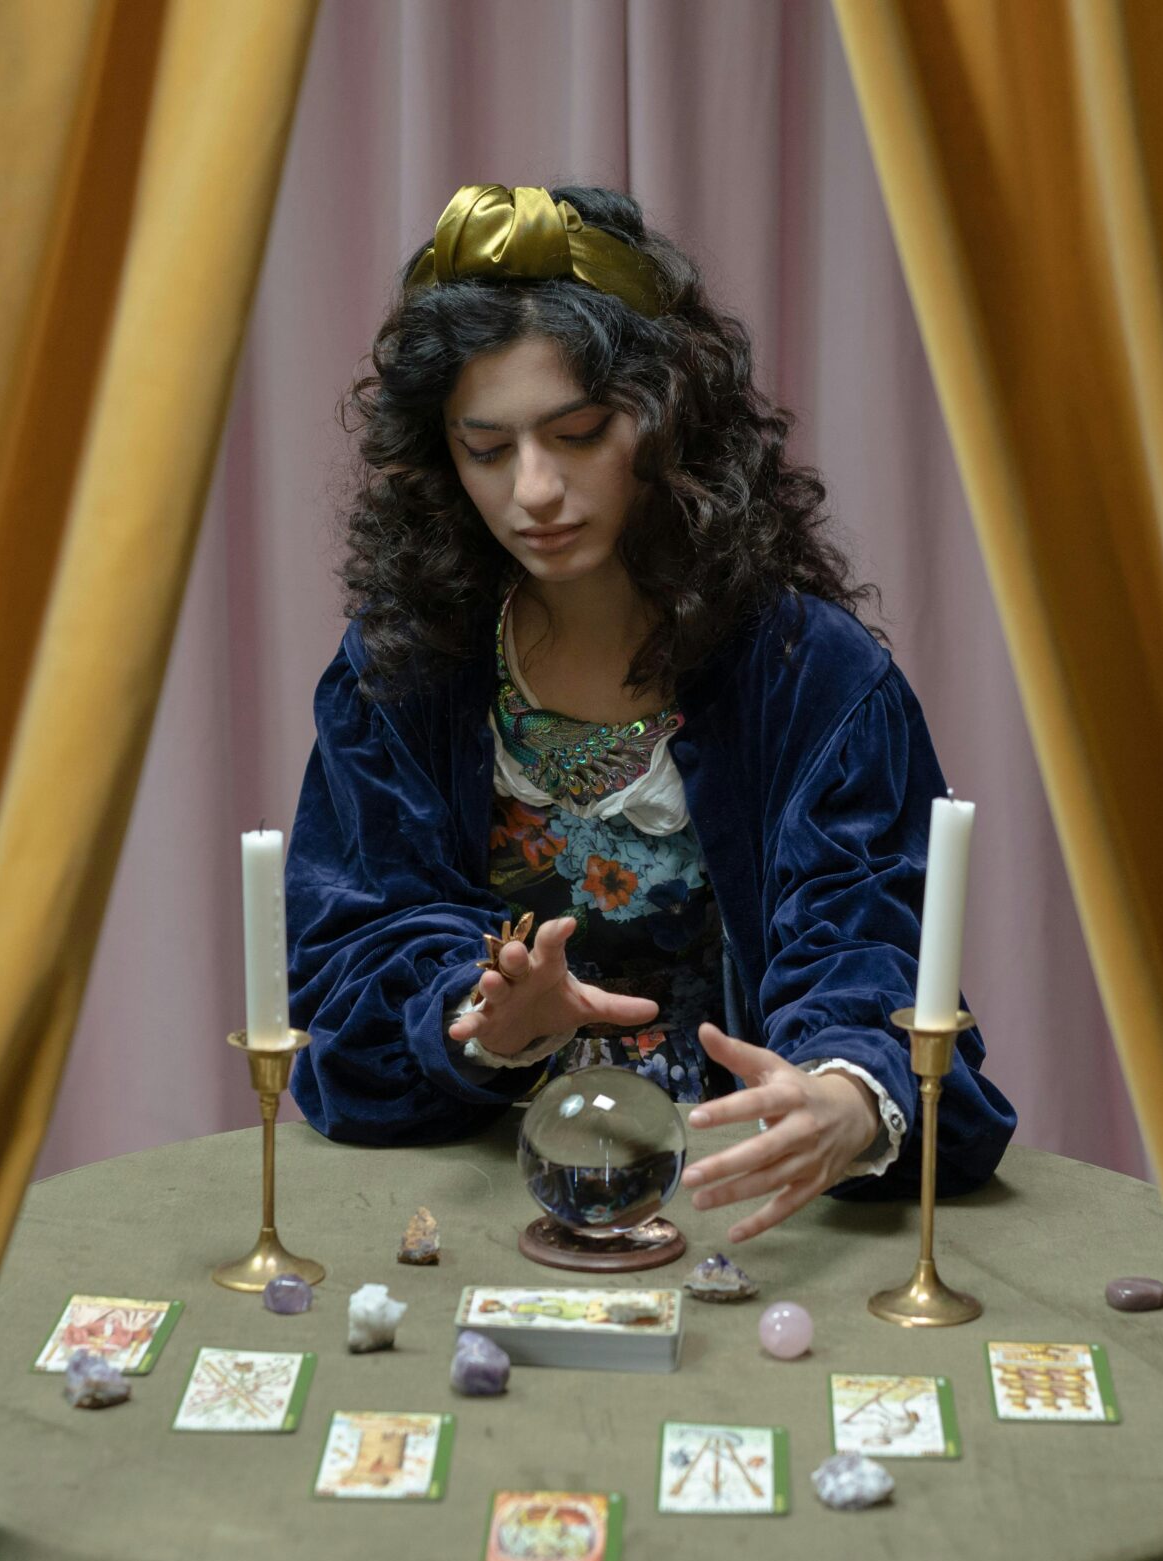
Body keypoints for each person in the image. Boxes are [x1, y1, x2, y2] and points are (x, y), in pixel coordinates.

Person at [285, 183, 1014, 1242]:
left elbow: (866, 942)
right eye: (486, 449)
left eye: (577, 433)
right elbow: (356, 944)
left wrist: (845, 1094)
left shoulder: (809, 675)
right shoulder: (402, 672)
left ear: (666, 418)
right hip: (480, 1189)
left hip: (742, 1187)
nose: (533, 490)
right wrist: (484, 1018)